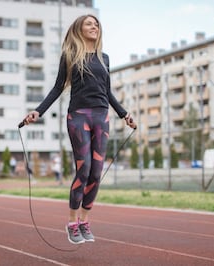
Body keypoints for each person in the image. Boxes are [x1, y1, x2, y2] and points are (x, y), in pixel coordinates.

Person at [21, 14, 136, 244]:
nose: (94, 27)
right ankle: (72, 223)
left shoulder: (104, 58)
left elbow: (108, 91)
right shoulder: (70, 55)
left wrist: (124, 114)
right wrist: (38, 111)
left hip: (101, 118)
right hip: (78, 118)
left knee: (96, 173)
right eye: (89, 24)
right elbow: (57, 88)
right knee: (83, 170)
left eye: (96, 24)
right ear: (79, 29)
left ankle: (84, 221)